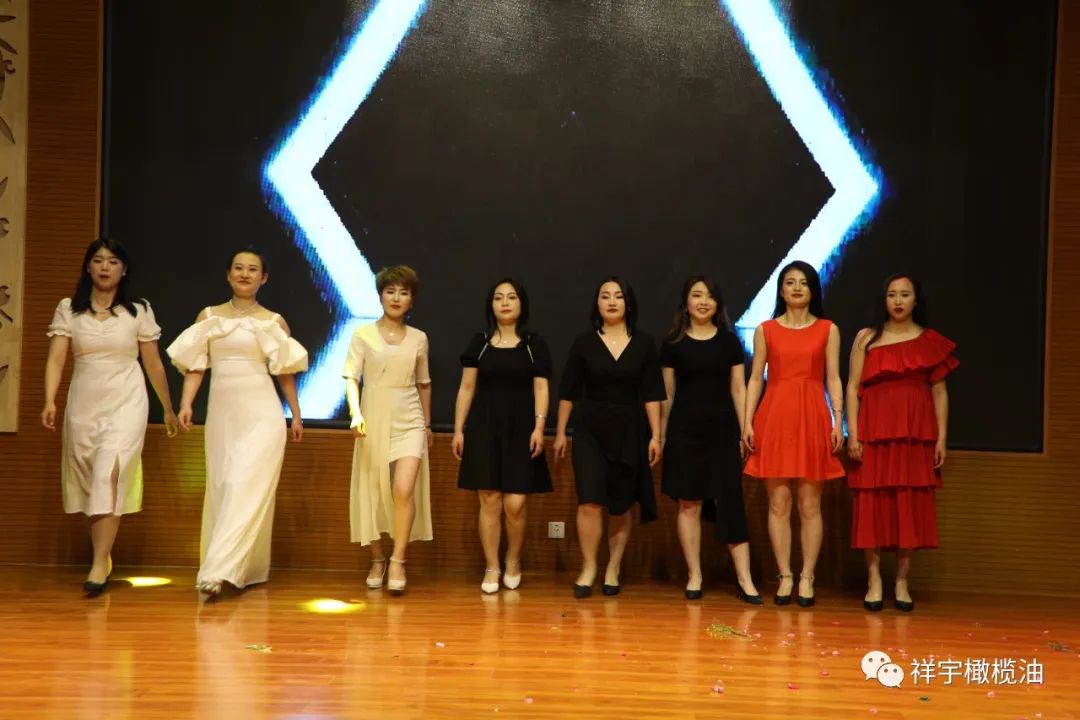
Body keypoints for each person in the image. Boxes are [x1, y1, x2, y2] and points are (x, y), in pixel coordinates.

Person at [42, 237, 178, 597]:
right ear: (88, 267)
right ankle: (103, 556)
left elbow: (153, 363)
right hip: (85, 401)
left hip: (126, 399)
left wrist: (167, 407)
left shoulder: (138, 311)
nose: (105, 267)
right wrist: (49, 400)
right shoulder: (69, 309)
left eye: (113, 261)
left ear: (124, 270)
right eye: (99, 260)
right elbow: (56, 358)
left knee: (109, 472)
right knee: (92, 478)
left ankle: (99, 563)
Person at [168, 246, 307, 599]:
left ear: (264, 278)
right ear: (228, 274)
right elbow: (196, 364)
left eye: (253, 269)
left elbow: (285, 372)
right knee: (225, 486)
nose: (245, 274)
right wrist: (186, 403)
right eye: (239, 268)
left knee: (246, 485)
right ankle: (243, 568)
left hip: (263, 415)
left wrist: (295, 413)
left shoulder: (273, 322)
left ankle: (216, 571)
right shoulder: (209, 316)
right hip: (223, 416)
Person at [846, 274, 958, 612]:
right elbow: (852, 388)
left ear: (915, 300)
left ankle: (902, 582)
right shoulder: (866, 338)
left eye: (905, 294)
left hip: (915, 436)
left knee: (908, 503)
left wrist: (941, 438)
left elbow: (939, 393)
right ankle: (874, 580)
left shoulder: (929, 340)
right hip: (874, 432)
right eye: (892, 294)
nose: (897, 301)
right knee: (872, 503)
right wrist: (853, 433)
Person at [554, 277, 664, 599]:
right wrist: (560, 432)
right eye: (605, 296)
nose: (612, 302)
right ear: (597, 303)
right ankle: (589, 567)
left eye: (618, 296)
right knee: (589, 501)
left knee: (620, 505)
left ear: (628, 303)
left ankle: (613, 567)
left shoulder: (644, 344)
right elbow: (568, 392)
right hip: (589, 430)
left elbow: (653, 394)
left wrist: (656, 436)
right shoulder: (583, 343)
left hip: (629, 431)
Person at [743, 260, 844, 607]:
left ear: (813, 289)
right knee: (779, 502)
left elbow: (834, 378)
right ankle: (785, 575)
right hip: (774, 416)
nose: (797, 288)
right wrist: (747, 422)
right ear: (781, 290)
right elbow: (755, 379)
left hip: (813, 416)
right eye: (790, 282)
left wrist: (838, 420)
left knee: (810, 504)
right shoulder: (766, 330)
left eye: (803, 282)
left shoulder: (828, 329)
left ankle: (807, 577)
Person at [659, 276, 761, 603]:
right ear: (685, 302)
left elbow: (738, 388)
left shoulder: (729, 342)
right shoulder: (672, 344)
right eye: (697, 295)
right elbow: (667, 395)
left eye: (710, 296)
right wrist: (661, 436)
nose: (703, 301)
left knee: (730, 500)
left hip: (723, 430)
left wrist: (745, 427)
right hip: (684, 431)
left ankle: (745, 580)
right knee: (689, 503)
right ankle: (695, 575)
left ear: (718, 304)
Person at [453, 279, 553, 593]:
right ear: (491, 305)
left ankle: (513, 559)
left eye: (511, 297)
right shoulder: (480, 343)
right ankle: (492, 566)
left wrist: (539, 427)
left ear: (522, 304)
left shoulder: (533, 344)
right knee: (489, 499)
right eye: (498, 298)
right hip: (484, 426)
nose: (505, 303)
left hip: (522, 428)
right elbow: (467, 387)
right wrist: (458, 429)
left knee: (515, 504)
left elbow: (541, 388)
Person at [344, 265, 433, 595]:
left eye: (404, 292)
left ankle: (398, 560)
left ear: (412, 300)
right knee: (373, 490)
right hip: (372, 417)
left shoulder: (419, 338)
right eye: (390, 291)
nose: (396, 298)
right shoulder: (362, 334)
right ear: (380, 295)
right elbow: (351, 377)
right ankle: (377, 558)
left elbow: (424, 384)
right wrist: (355, 413)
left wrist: (426, 424)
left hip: (409, 418)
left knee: (403, 489)